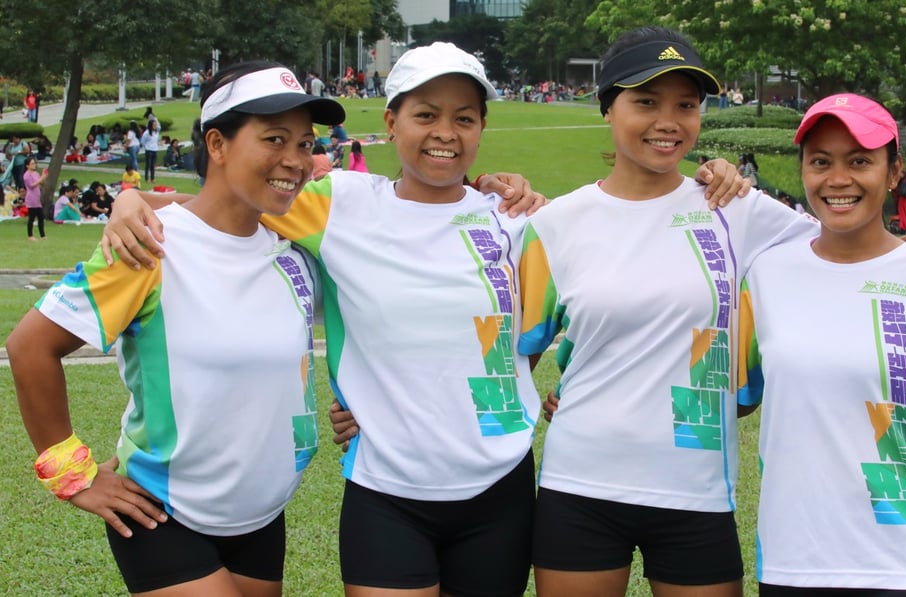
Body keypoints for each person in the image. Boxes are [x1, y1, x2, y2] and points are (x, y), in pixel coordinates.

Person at [101, 42, 748, 597]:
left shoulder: (517, 219)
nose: (446, 131)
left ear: (482, 127)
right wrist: (132, 200)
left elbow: (607, 294)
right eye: (426, 114)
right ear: (391, 120)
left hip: (499, 483)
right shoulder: (339, 205)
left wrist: (710, 179)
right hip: (386, 487)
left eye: (464, 118)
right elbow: (231, 197)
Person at [520, 29, 906, 597]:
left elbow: (850, 239)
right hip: (579, 479)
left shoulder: (737, 209)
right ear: (607, 107)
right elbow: (511, 345)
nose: (668, 121)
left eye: (685, 105)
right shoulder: (555, 222)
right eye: (646, 102)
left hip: (698, 491)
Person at [6, 60, 345, 595]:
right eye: (275, 139)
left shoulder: (296, 247)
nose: (295, 160)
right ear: (217, 144)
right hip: (164, 513)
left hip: (261, 516)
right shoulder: (147, 246)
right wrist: (74, 476)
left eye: (305, 144)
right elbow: (30, 347)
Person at [746, 92, 906, 596]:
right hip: (791, 562)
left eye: (859, 161)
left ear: (892, 171)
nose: (838, 180)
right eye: (821, 162)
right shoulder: (767, 270)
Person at [22, 156, 48, 240]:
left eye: (34, 163)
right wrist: (41, 178)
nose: (34, 165)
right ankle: (30, 235)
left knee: (41, 217)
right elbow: (31, 186)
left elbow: (41, 184)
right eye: (32, 163)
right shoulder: (26, 175)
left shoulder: (36, 173)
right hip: (31, 199)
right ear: (27, 165)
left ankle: (42, 235)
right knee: (32, 217)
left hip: (37, 198)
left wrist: (44, 177)